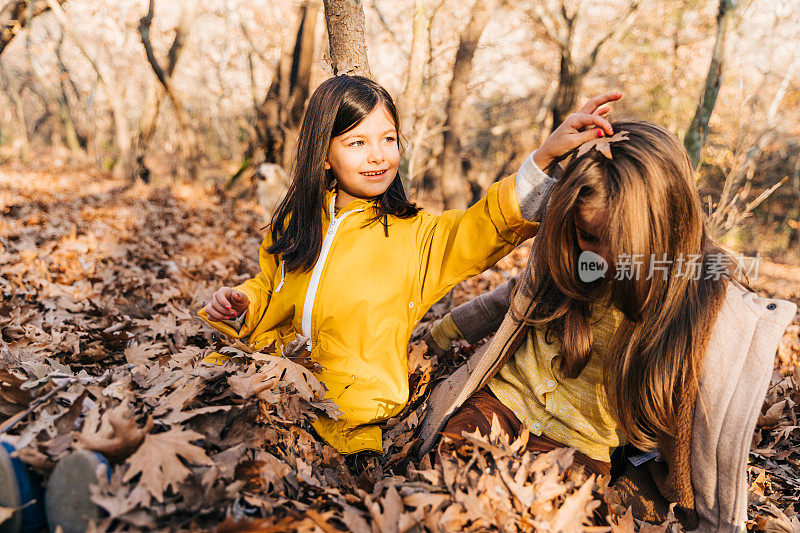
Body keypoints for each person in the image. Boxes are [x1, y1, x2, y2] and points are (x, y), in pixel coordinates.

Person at [198, 74, 621, 455]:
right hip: (273, 385)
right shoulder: (296, 222)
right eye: (357, 143)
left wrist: (545, 156)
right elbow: (271, 283)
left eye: (388, 139)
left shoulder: (414, 235)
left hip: (351, 409)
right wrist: (244, 303)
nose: (378, 156)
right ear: (323, 154)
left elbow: (482, 228)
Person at [419, 119, 797, 529]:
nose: (597, 254)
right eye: (587, 234)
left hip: (583, 444)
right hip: (504, 402)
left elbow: (698, 415)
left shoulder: (686, 300)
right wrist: (440, 337)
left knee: (559, 517)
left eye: (614, 241)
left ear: (662, 229)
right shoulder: (566, 258)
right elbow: (507, 297)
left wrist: (695, 504)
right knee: (451, 467)